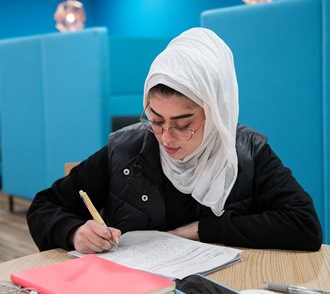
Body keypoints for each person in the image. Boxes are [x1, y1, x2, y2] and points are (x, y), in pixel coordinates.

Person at [27, 28, 323, 253]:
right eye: (155, 119)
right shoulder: (127, 149)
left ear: (216, 112)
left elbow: (304, 226)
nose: (165, 137)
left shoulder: (248, 152)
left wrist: (200, 229)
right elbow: (44, 205)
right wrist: (74, 232)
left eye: (183, 125)